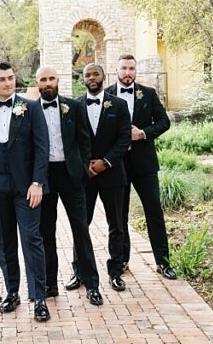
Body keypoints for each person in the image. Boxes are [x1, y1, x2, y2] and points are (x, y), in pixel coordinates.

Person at [0, 62, 50, 322]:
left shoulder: (32, 107)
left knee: (31, 239)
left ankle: (39, 298)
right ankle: (12, 292)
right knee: (4, 242)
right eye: (2, 79)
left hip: (27, 187)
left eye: (11, 78)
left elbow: (42, 147)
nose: (8, 83)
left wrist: (38, 182)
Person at [34, 66, 103, 306]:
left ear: (58, 81)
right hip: (44, 177)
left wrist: (83, 168)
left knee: (80, 230)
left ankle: (91, 284)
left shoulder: (73, 107)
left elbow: (84, 140)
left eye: (52, 78)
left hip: (71, 174)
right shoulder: (30, 110)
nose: (48, 83)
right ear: (37, 84)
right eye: (43, 79)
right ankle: (49, 284)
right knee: (45, 232)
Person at [106, 54, 176, 279]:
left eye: (131, 69)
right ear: (116, 70)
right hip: (117, 166)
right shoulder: (106, 95)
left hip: (144, 164)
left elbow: (164, 122)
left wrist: (143, 133)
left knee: (154, 210)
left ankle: (163, 262)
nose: (128, 73)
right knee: (119, 215)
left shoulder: (148, 94)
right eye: (124, 68)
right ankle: (122, 261)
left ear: (135, 71)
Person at [72, 62, 130, 292]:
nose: (92, 77)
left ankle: (116, 271)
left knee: (116, 223)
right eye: (88, 74)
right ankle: (79, 271)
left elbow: (124, 138)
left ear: (103, 76)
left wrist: (105, 162)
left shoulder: (119, 104)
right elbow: (72, 140)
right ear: (83, 78)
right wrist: (85, 164)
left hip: (113, 174)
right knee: (80, 224)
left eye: (96, 73)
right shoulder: (74, 105)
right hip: (84, 176)